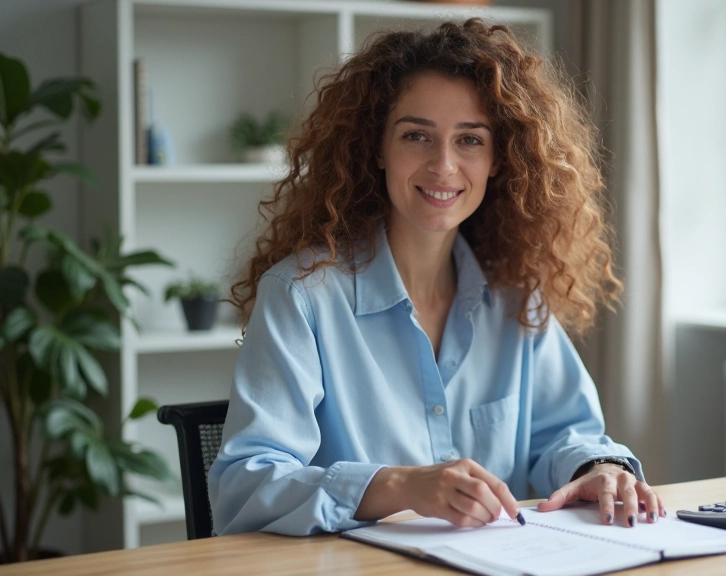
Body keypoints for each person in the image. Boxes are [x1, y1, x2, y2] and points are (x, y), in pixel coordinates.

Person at [209, 18, 664, 537]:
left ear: (499, 159)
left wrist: (599, 470)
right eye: (416, 135)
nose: (443, 165)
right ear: (376, 147)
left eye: (470, 139)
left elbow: (565, 434)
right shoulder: (301, 297)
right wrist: (401, 486)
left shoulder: (517, 300)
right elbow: (244, 487)